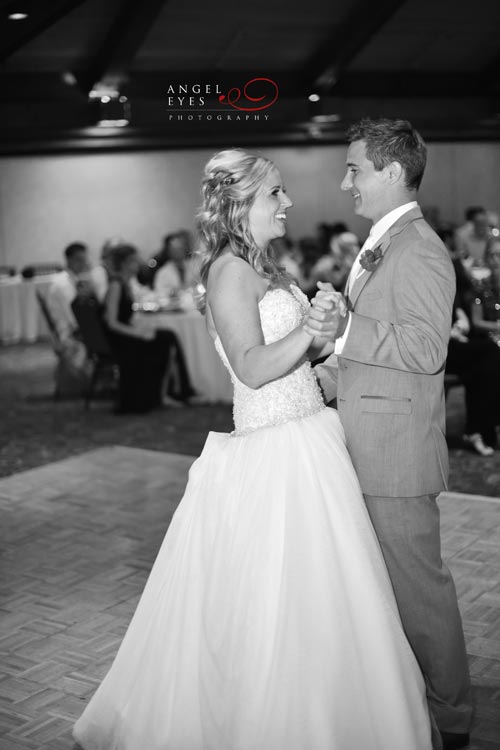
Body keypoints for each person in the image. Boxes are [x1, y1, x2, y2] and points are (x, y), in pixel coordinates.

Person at [73, 148, 435, 750]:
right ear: (240, 203)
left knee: (328, 604)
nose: (288, 202)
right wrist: (311, 332)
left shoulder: (266, 267)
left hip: (311, 437)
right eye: (276, 193)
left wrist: (324, 326)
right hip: (272, 452)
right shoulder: (229, 272)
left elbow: (303, 357)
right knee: (276, 606)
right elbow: (250, 367)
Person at [311, 118, 473, 750]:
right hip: (364, 441)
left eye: (354, 168)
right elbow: (371, 349)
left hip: (397, 455)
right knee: (387, 591)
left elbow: (427, 349)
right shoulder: (381, 242)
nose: (344, 181)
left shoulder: (422, 249)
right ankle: (411, 704)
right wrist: (317, 378)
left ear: (392, 171)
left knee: (419, 594)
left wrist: (346, 330)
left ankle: (455, 719)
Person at [102, 242, 193, 414]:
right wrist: (138, 333)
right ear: (125, 264)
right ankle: (164, 393)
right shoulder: (116, 285)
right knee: (164, 340)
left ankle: (168, 391)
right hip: (118, 339)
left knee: (167, 336)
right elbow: (111, 322)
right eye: (134, 261)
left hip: (124, 334)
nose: (139, 264)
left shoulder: (126, 283)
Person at [440, 229, 500, 456]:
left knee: (481, 369)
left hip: (456, 342)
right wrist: (450, 331)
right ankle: (484, 428)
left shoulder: (454, 275)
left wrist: (459, 323)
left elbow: (460, 311)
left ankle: (479, 430)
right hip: (436, 345)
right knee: (489, 354)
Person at [46, 242, 95, 385]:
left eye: (85, 259)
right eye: (79, 259)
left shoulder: (72, 279)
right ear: (68, 260)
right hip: (69, 333)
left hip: (74, 328)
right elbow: (74, 317)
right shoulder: (62, 284)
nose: (84, 263)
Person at [153, 231, 200, 298]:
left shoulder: (195, 266)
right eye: (175, 249)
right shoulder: (163, 272)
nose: (178, 251)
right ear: (168, 251)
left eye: (180, 248)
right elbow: (159, 294)